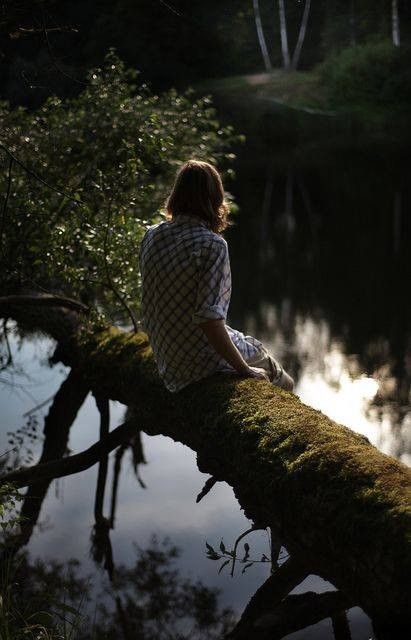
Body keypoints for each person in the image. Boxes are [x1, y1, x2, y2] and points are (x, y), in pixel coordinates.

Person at [139, 159, 294, 394]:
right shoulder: (212, 245)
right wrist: (245, 370)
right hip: (198, 364)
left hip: (167, 360)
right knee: (284, 381)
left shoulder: (151, 236)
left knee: (242, 339)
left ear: (176, 195)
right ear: (214, 199)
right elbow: (209, 321)